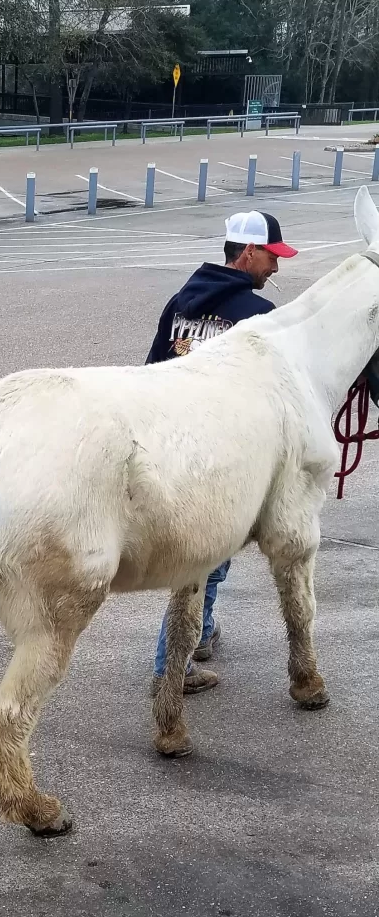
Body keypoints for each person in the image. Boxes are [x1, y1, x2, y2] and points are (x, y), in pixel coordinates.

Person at [147, 210, 298, 694]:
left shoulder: (179, 303)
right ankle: (171, 667)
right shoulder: (257, 318)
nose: (275, 268)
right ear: (249, 252)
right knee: (207, 562)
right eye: (272, 257)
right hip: (217, 461)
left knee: (209, 561)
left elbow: (151, 372)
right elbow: (280, 394)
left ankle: (202, 631)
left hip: (169, 449)